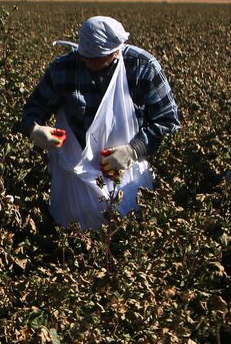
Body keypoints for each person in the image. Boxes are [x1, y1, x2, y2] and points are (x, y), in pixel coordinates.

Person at [19, 15, 180, 230]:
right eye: (84, 56)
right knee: (72, 235)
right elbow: (33, 108)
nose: (87, 61)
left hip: (126, 171)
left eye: (96, 58)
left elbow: (167, 120)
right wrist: (34, 129)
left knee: (127, 232)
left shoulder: (143, 68)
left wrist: (133, 151)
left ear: (116, 51)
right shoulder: (64, 69)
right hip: (75, 175)